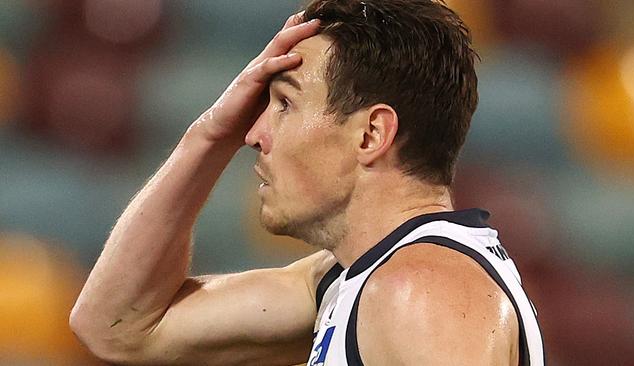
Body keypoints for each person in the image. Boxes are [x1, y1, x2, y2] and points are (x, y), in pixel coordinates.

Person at [70, 0, 544, 365]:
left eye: (285, 104)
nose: (253, 135)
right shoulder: (349, 278)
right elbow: (118, 328)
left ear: (371, 134)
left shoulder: (418, 290)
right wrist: (211, 133)